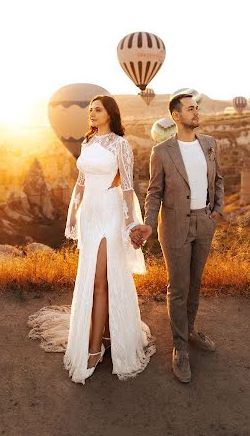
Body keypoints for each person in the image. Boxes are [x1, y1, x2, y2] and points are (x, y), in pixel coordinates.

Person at [28, 95, 155, 384]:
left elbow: (126, 188)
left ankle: (95, 349)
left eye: (97, 109)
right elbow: (81, 181)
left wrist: (129, 223)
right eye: (90, 110)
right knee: (94, 277)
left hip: (110, 214)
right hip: (90, 215)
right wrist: (73, 212)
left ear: (110, 113)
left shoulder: (120, 145)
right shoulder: (87, 143)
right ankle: (107, 334)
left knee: (101, 280)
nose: (92, 114)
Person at [131, 93, 224, 383]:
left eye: (197, 108)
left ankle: (191, 329)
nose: (196, 112)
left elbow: (218, 179)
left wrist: (217, 210)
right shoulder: (162, 151)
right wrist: (147, 223)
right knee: (178, 287)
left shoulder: (210, 144)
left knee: (195, 283)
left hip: (204, 221)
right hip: (173, 226)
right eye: (190, 109)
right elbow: (154, 192)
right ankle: (180, 347)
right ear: (175, 116)